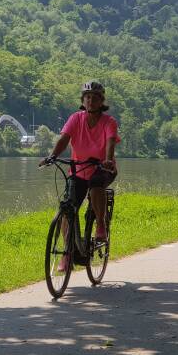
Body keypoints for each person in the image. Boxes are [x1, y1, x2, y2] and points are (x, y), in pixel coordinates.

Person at [41, 82, 120, 270]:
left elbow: (110, 142)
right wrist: (52, 156)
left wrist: (108, 160)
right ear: (82, 100)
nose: (90, 100)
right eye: (87, 97)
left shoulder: (109, 122)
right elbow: (64, 139)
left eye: (94, 97)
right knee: (67, 208)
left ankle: (100, 224)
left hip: (102, 169)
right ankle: (68, 254)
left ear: (101, 101)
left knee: (95, 185)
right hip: (78, 170)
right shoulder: (75, 119)